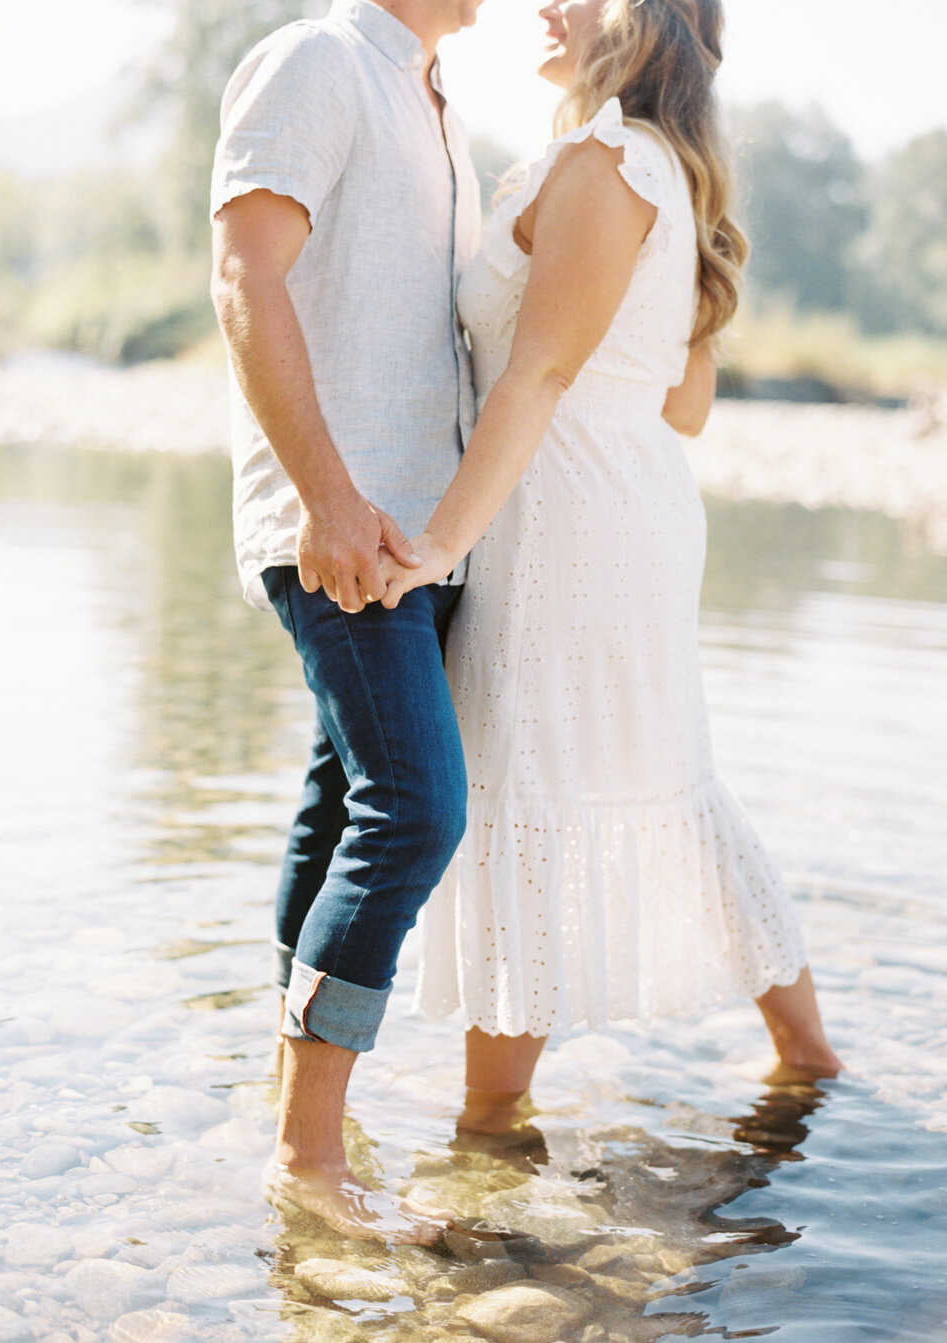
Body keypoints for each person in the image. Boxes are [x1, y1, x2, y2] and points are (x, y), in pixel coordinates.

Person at [379, 0, 844, 1125]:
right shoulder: (661, 173)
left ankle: (490, 1124)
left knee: (529, 786)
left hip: (563, 534)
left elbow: (534, 377)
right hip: (626, 515)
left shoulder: (603, 164)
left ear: (637, 16)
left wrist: (438, 540)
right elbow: (678, 403)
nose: (544, 3)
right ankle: (806, 1056)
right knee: (668, 780)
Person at [209, 0, 482, 1242]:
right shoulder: (317, 59)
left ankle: (291, 1111)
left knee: (340, 805)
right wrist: (326, 495)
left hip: (421, 531)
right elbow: (243, 269)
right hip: (344, 520)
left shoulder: (437, 100)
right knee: (414, 806)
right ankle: (308, 1158)